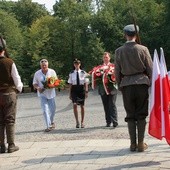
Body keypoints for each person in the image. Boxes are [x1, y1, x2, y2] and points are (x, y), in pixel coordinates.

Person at [115, 24, 153, 152]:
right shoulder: (143, 49)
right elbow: (150, 68)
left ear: (125, 34)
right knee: (141, 114)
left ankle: (132, 144)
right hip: (142, 84)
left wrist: (121, 85)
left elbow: (117, 71)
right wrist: (151, 83)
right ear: (136, 35)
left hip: (127, 85)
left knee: (130, 115)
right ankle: (141, 144)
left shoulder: (119, 51)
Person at [0, 39, 23, 153]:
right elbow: (16, 78)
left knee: (0, 121)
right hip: (9, 93)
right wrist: (19, 88)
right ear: (3, 50)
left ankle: (1, 146)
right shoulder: (9, 62)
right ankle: (11, 145)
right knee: (9, 120)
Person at [33, 59, 57, 132]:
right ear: (40, 66)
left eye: (45, 65)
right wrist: (38, 88)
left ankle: (51, 121)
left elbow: (56, 81)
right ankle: (48, 126)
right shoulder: (37, 73)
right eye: (42, 65)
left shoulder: (52, 72)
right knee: (45, 110)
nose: (44, 66)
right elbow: (34, 83)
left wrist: (53, 85)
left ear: (47, 65)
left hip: (51, 94)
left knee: (53, 110)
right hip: (42, 94)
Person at [98, 52, 118, 128]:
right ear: (103, 59)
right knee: (106, 105)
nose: (105, 59)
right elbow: (96, 77)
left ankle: (115, 121)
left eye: (107, 57)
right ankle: (108, 121)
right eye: (104, 57)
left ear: (109, 58)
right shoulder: (99, 67)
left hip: (112, 89)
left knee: (112, 104)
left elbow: (117, 75)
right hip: (103, 89)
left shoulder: (113, 66)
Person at [68, 59, 89, 128]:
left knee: (82, 106)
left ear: (80, 64)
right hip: (74, 89)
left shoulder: (83, 72)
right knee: (74, 104)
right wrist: (70, 93)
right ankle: (77, 121)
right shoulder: (71, 73)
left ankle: (82, 122)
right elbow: (70, 83)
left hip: (81, 89)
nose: (77, 65)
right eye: (75, 64)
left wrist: (86, 91)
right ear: (74, 65)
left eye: (78, 64)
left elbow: (86, 82)